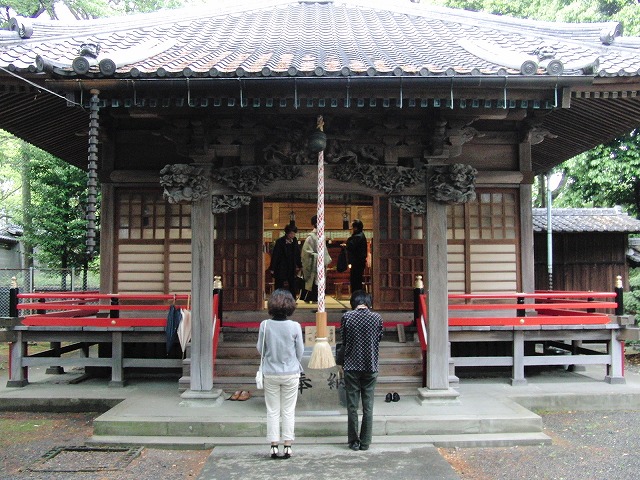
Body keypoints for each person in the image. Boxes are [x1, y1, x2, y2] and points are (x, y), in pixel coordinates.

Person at [257, 289, 304, 459]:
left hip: (270, 372)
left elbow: (260, 348)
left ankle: (273, 446)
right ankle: (288, 445)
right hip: (291, 372)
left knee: (272, 410)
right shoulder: (295, 326)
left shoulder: (265, 325)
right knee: (288, 410)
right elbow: (300, 351)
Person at [340, 290, 383, 452]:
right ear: (368, 302)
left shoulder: (347, 317)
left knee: (352, 406)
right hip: (370, 364)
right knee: (368, 405)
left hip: (351, 365)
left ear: (353, 302)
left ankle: (353, 441)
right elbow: (379, 337)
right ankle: (365, 441)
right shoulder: (377, 318)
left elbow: (343, 340)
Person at [301, 215, 331, 303]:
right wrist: (318, 256)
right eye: (323, 223)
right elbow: (307, 252)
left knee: (319, 282)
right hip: (314, 265)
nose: (324, 225)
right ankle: (312, 298)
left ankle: (317, 298)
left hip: (320, 265)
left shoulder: (322, 236)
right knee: (314, 282)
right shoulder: (311, 237)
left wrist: (324, 258)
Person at [268, 224, 302, 299]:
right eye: (291, 233)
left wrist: (300, 265)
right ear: (287, 233)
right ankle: (277, 299)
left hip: (291, 266)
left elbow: (297, 254)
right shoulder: (280, 241)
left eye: (294, 233)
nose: (293, 235)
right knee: (279, 284)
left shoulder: (295, 241)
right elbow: (275, 255)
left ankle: (292, 300)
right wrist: (272, 268)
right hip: (281, 266)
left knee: (292, 284)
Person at [346, 219, 367, 294]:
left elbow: (351, 246)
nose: (350, 229)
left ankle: (357, 296)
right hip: (358, 262)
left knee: (356, 281)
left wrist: (346, 244)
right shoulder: (359, 235)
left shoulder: (358, 236)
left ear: (355, 228)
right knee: (356, 280)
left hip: (357, 263)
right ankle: (356, 296)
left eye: (351, 227)